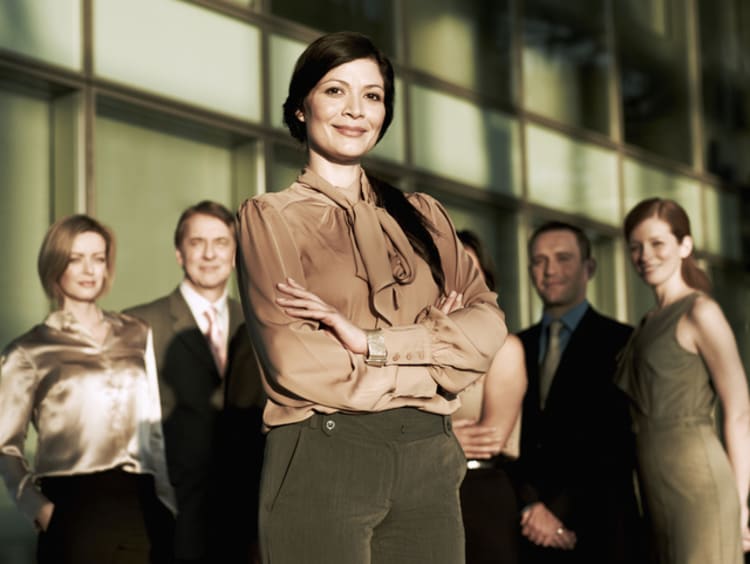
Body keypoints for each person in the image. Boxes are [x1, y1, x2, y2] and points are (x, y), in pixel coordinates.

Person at [235, 31, 507, 564]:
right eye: (335, 91)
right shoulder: (272, 219)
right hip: (325, 453)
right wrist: (431, 356)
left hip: (430, 457)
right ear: (299, 109)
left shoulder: (425, 217)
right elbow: (296, 360)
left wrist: (373, 343)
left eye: (373, 95)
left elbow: (486, 327)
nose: (355, 110)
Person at [0, 214, 175, 564]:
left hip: (139, 504)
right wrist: (40, 508)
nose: (89, 269)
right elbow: (5, 445)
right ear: (55, 265)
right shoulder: (28, 351)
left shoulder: (136, 333)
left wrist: (167, 502)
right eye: (75, 259)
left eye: (98, 258)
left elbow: (152, 426)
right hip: (72, 509)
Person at [125, 201, 265, 564]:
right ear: (178, 252)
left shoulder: (260, 328)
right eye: (196, 242)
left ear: (235, 254)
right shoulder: (139, 324)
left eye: (221, 243)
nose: (208, 254)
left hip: (245, 518)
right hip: (168, 514)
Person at [617, 197, 750, 564]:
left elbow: (739, 412)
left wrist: (741, 505)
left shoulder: (700, 311)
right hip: (652, 483)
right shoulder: (646, 323)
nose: (645, 255)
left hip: (699, 485)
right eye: (635, 246)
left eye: (658, 243)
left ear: (685, 245)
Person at [515, 220, 645, 564]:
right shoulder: (514, 346)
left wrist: (556, 511)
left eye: (563, 258)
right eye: (539, 261)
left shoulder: (624, 342)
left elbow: (618, 440)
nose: (550, 270)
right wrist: (531, 505)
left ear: (589, 267)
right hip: (526, 530)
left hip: (599, 527)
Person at [452, 230, 527, 564]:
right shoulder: (416, 348)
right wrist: (450, 438)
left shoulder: (504, 348)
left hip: (480, 491)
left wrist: (429, 440)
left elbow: (489, 438)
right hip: (425, 492)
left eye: (471, 271)